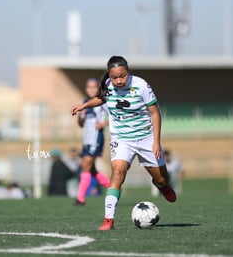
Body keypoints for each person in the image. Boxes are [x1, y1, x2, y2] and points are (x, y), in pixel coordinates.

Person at [71, 55, 176, 231]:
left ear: (128, 72)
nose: (119, 80)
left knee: (161, 178)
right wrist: (84, 106)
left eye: (122, 76)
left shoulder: (141, 85)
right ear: (109, 76)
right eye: (114, 77)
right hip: (121, 139)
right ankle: (108, 220)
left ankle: (161, 185)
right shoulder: (107, 86)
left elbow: (155, 113)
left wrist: (156, 142)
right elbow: (101, 98)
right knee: (117, 173)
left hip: (145, 137)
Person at [74, 78, 110, 206]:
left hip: (96, 139)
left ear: (98, 88)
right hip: (87, 140)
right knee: (91, 170)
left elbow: (115, 116)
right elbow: (81, 124)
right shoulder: (85, 103)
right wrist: (80, 115)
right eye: (89, 87)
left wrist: (104, 123)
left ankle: (80, 198)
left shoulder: (103, 102)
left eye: (94, 87)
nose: (91, 89)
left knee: (85, 166)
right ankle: (113, 187)